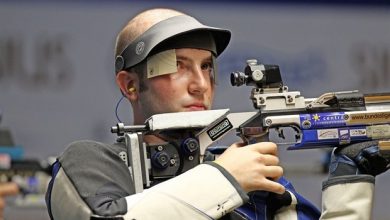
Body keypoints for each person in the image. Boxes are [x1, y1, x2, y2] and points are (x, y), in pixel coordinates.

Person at [45, 8, 389, 220]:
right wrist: (225, 179)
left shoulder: (258, 180)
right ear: (130, 85)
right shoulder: (94, 164)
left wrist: (349, 182)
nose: (200, 84)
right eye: (177, 66)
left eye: (207, 67)